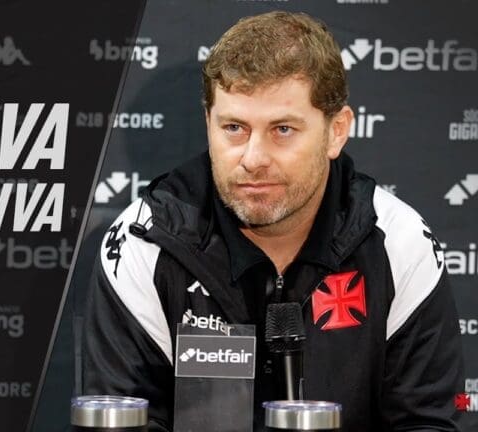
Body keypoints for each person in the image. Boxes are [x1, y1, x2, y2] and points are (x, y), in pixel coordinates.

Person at [82, 10, 464, 432]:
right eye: (234, 128)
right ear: (208, 123)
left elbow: (427, 422)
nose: (253, 159)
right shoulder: (145, 242)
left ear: (336, 131)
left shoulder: (398, 243)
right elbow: (121, 421)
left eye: (282, 130)